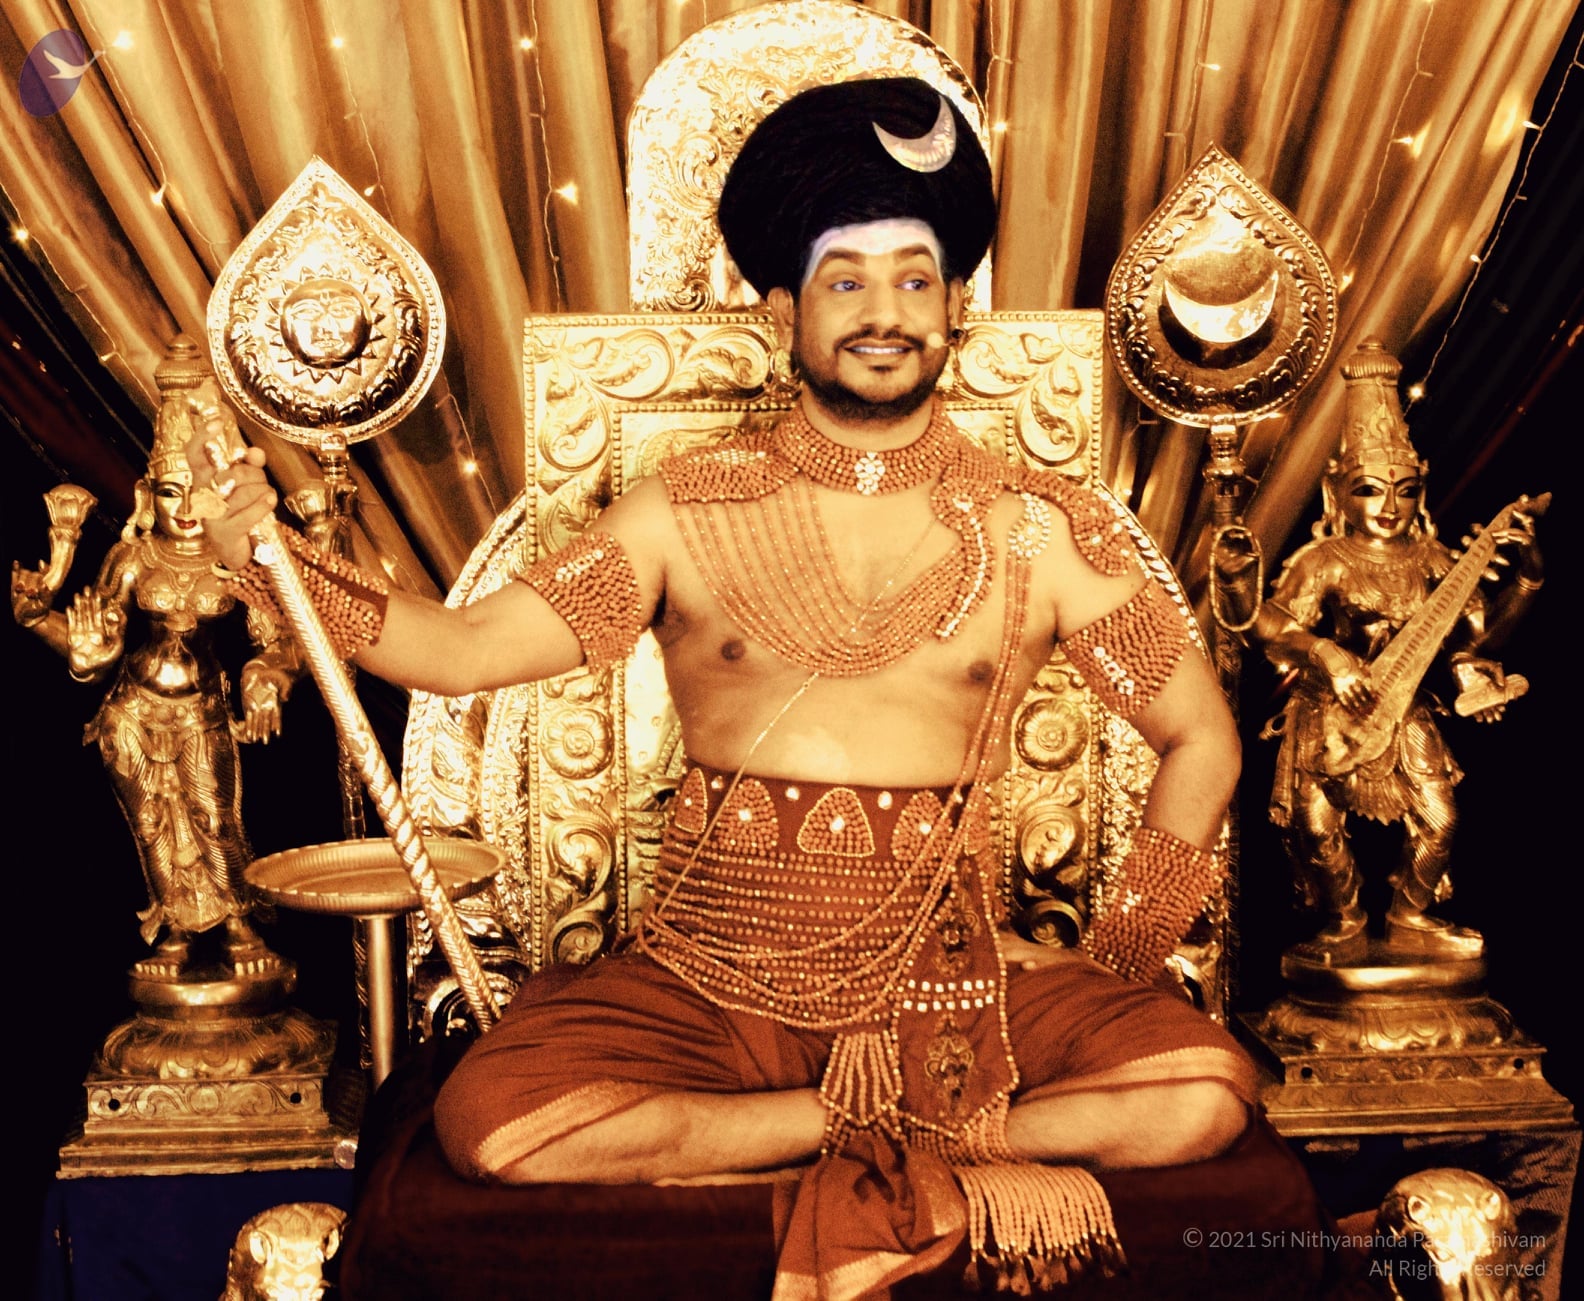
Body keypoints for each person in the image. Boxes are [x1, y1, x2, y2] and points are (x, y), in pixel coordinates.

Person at [197, 78, 1259, 1295]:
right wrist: (275, 565)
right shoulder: (687, 511)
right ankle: (858, 1123)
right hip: (711, 973)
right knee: (494, 1117)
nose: (884, 312)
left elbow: (1203, 740)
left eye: (914, 279)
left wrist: (1119, 959)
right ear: (780, 307)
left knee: (1200, 1092)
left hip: (954, 981)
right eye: (844, 281)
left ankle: (882, 1124)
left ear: (955, 305)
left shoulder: (1041, 528)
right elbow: (465, 650)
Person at [12, 342, 298, 979]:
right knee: (149, 820)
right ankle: (174, 927)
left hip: (201, 710)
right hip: (132, 711)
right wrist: (46, 627)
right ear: (147, 495)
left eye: (197, 492)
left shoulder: (235, 560)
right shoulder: (133, 557)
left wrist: (267, 677)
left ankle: (238, 922)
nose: (187, 511)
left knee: (214, 816)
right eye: (170, 493)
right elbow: (93, 645)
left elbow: (280, 639)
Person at [1256, 341, 1542, 961]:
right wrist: (1327, 655)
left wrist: (1527, 580)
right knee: (1317, 827)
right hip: (1329, 710)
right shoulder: (1325, 560)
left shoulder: (1434, 559)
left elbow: (1474, 638)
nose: (1389, 508)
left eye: (1405, 491)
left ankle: (1410, 912)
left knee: (1442, 819)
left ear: (1421, 494)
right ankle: (1344, 918)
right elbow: (1269, 623)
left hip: (1404, 706)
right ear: (1336, 493)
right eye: (1369, 490)